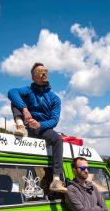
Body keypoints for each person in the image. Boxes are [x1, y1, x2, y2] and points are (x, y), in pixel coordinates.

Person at [7, 62, 66, 193]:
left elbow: (54, 120)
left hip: (43, 128)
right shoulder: (28, 91)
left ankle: (56, 179)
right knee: (15, 98)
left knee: (57, 139)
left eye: (45, 71)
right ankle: (20, 126)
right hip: (26, 125)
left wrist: (40, 125)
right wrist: (25, 109)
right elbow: (11, 92)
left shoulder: (55, 98)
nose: (44, 73)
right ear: (33, 77)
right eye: (39, 72)